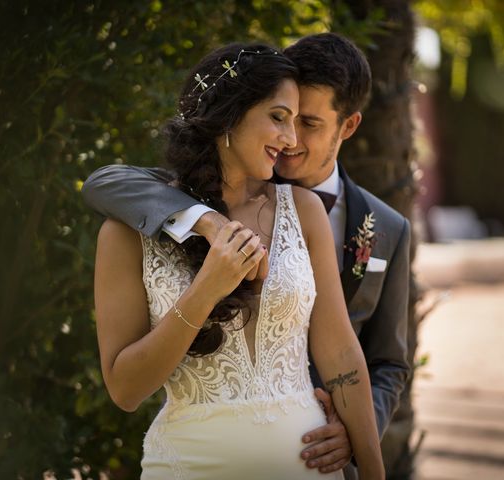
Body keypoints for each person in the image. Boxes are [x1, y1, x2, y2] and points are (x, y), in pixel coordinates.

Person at [84, 32, 410, 479]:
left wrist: (372, 472)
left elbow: (341, 353)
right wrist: (205, 290)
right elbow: (124, 390)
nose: (290, 139)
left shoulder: (304, 209)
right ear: (230, 117)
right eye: (279, 117)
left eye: (300, 122)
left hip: (307, 467)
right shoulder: (127, 230)